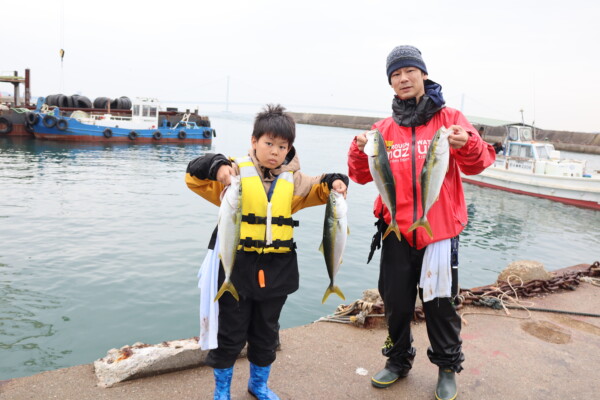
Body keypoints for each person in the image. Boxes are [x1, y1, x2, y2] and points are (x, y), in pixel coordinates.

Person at [347, 45, 495, 400]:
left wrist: (467, 142)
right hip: (396, 231)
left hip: (439, 231)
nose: (403, 79)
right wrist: (357, 146)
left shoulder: (450, 119)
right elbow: (360, 176)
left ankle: (447, 367)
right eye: (395, 75)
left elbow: (480, 161)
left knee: (440, 304)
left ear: (423, 74)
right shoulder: (383, 128)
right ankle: (397, 360)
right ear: (390, 83)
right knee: (395, 301)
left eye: (409, 71)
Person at [186, 104, 348, 400]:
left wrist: (338, 181)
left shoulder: (295, 181)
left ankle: (257, 385)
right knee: (229, 333)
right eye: (268, 143)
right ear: (254, 142)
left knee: (267, 333)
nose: (275, 151)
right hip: (236, 268)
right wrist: (218, 167)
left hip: (278, 268)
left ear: (289, 149)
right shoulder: (232, 174)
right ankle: (222, 389)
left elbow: (322, 187)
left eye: (282, 146)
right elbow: (193, 177)